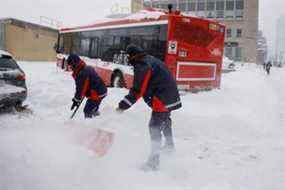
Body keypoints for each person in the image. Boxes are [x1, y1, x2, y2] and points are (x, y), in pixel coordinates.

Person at [116, 44, 182, 171]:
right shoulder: (149, 59)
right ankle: (169, 146)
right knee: (165, 121)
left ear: (132, 55)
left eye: (128, 56)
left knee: (154, 127)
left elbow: (137, 91)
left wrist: (121, 107)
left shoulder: (142, 65)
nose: (128, 59)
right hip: (170, 96)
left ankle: (153, 163)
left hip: (162, 98)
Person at [67, 54, 107, 118]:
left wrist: (76, 100)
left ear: (75, 64)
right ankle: (100, 120)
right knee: (93, 109)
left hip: (97, 93)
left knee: (87, 110)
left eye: (71, 65)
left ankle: (90, 125)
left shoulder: (82, 73)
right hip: (101, 91)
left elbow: (80, 89)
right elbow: (88, 83)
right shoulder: (85, 68)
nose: (70, 68)